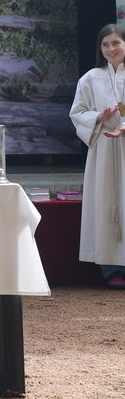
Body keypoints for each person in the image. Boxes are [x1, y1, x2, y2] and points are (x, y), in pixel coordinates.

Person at [69, 23, 125, 289]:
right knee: (106, 202)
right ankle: (111, 267)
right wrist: (97, 118)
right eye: (105, 45)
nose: (111, 49)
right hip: (103, 146)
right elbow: (77, 112)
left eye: (116, 43)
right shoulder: (90, 78)